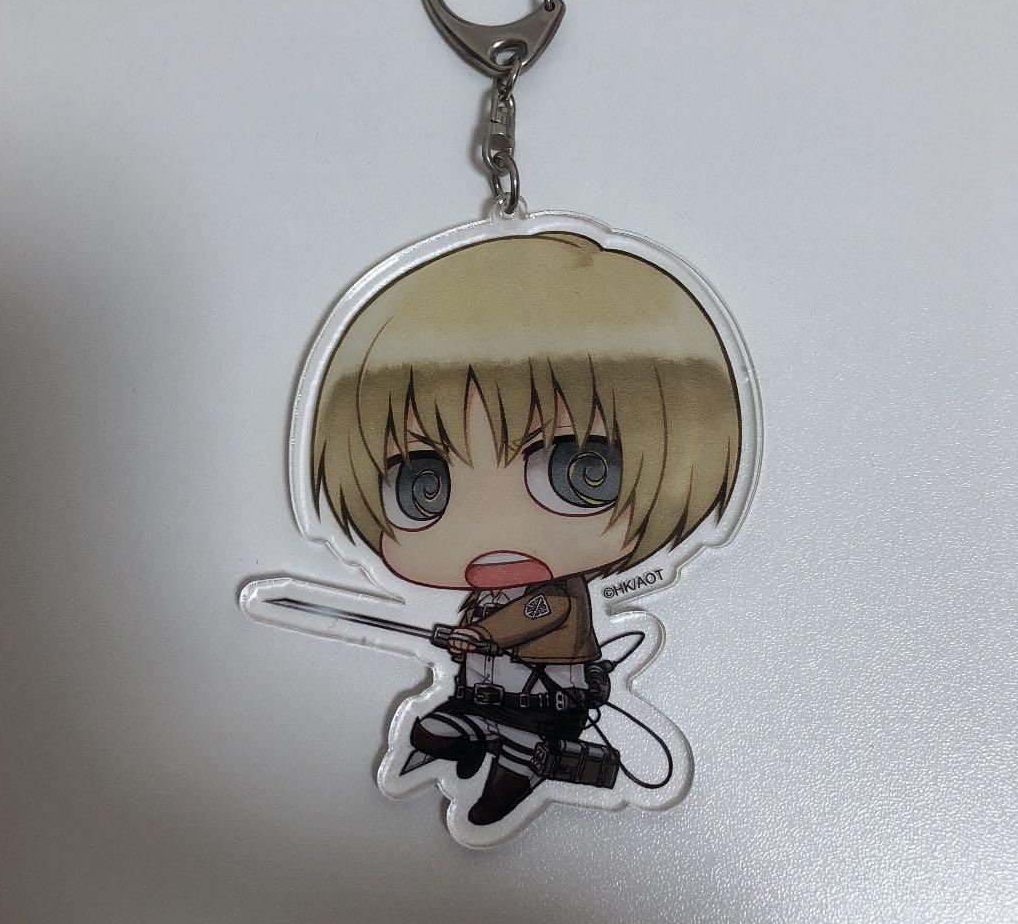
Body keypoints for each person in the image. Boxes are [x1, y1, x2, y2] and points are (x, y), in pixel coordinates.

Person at [311, 232, 741, 824]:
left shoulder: (555, 594)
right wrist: (473, 640)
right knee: (436, 728)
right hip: (484, 692)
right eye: (423, 484)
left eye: (578, 469)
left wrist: (480, 635)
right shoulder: (490, 593)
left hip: (546, 701)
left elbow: (541, 614)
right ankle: (471, 733)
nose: (492, 527)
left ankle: (521, 763)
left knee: (516, 754)